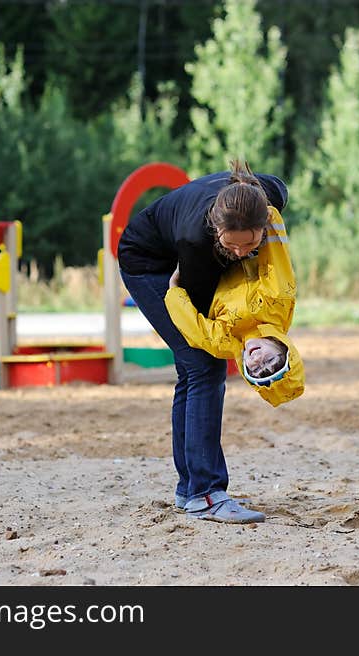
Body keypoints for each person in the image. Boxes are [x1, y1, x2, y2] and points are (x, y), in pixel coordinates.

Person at [117, 160, 289, 524]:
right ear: (216, 228)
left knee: (194, 369)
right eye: (232, 245)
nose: (241, 252)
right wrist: (242, 345)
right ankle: (205, 493)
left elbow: (278, 187)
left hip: (176, 250)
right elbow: (201, 325)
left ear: (265, 223)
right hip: (149, 264)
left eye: (251, 244)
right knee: (203, 364)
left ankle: (189, 489)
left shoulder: (267, 195)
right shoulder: (197, 245)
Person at [164, 204, 304, 409]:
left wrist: (174, 288)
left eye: (256, 370)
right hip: (247, 248)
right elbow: (277, 259)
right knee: (276, 189)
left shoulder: (224, 343)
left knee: (193, 239)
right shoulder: (278, 303)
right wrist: (267, 217)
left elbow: (193, 328)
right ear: (282, 347)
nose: (258, 359)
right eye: (270, 361)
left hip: (211, 270)